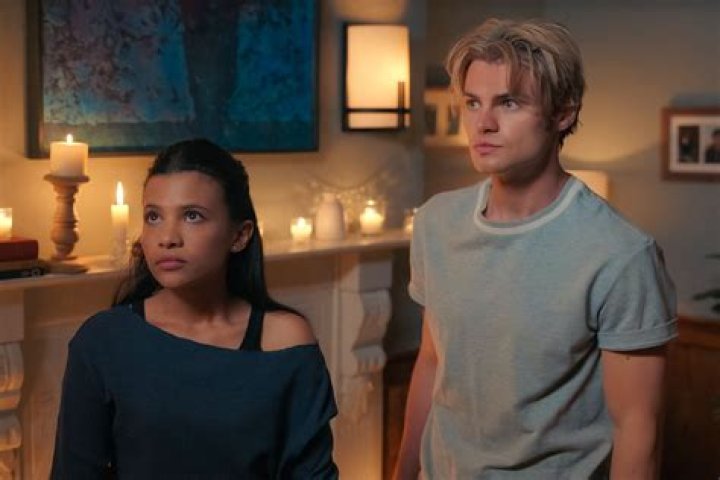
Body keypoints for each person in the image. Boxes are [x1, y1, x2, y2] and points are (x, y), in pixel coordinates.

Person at [393, 18, 677, 480]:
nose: (483, 123)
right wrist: (403, 473)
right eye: (472, 103)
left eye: (508, 103)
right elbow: (432, 363)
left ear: (563, 114)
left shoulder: (621, 254)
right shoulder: (435, 223)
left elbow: (638, 427)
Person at [51, 138, 339, 479]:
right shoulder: (103, 341)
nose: (167, 237)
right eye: (153, 216)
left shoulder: (285, 341)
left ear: (240, 235)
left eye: (192, 216)